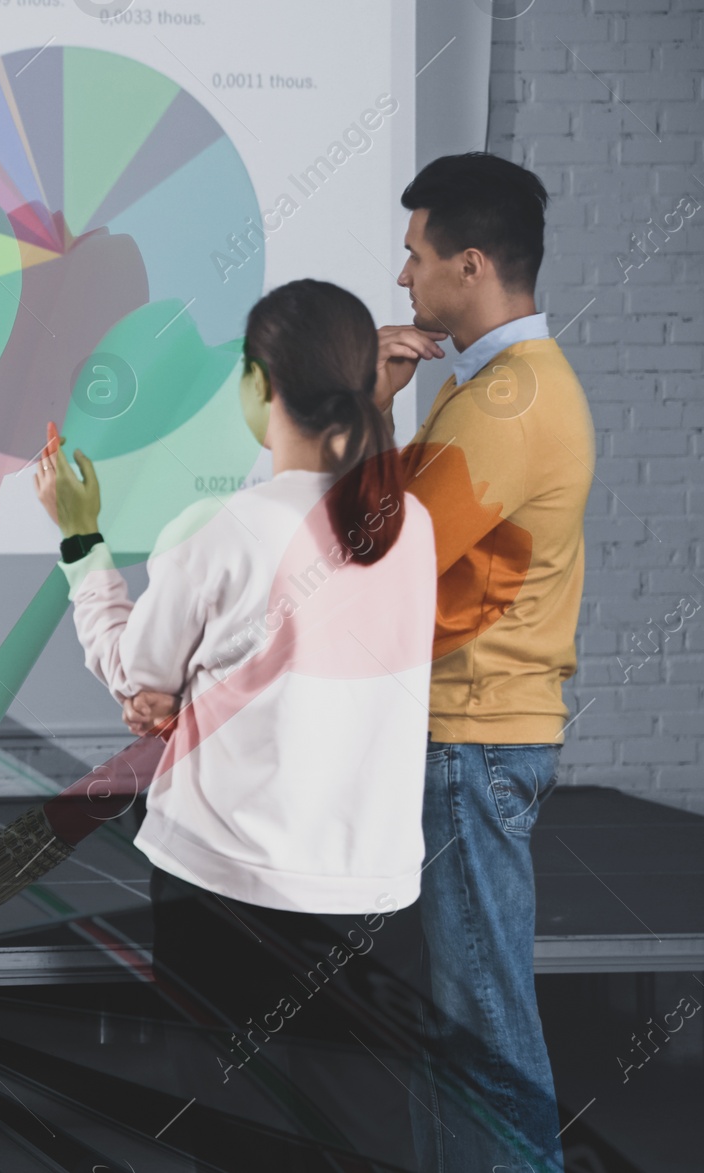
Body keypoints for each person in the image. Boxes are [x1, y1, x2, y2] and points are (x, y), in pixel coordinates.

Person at [36, 280, 440, 1166]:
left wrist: (81, 540)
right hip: (372, 896)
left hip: (227, 896)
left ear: (258, 383)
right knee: (367, 1135)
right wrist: (188, 692)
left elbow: (134, 677)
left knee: (238, 1132)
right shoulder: (410, 526)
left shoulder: (226, 529)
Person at [376, 152, 594, 1173]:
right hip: (470, 739)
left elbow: (372, 556)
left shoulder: (505, 405)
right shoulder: (495, 389)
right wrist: (381, 407)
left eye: (413, 256)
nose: (402, 278)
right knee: (454, 1027)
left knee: (480, 1027)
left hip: (468, 745)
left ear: (468, 265)